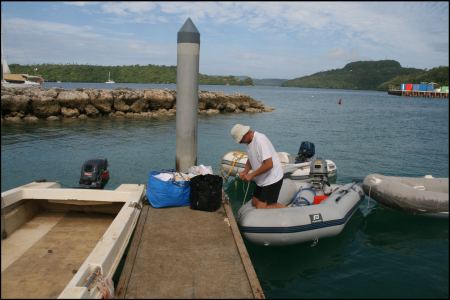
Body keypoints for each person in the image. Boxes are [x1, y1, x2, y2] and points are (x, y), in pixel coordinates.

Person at [230, 124, 285, 209]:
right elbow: (250, 157)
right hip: (262, 179)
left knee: (262, 207)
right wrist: (245, 171)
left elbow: (269, 164)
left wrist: (252, 175)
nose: (240, 142)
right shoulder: (249, 142)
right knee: (254, 203)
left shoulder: (260, 140)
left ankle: (285, 210)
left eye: (241, 140)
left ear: (246, 133)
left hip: (272, 179)